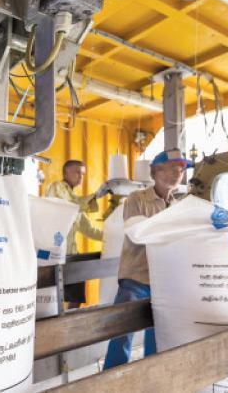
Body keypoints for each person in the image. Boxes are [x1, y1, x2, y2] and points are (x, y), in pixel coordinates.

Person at [102, 149, 191, 369]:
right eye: (172, 168)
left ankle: (150, 376)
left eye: (180, 170)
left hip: (164, 280)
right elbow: (136, 231)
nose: (177, 174)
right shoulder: (137, 199)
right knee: (123, 332)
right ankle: (113, 380)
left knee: (158, 334)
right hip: (137, 277)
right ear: (155, 172)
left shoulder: (178, 205)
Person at [45, 160, 108, 308]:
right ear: (65, 173)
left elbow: (88, 230)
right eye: (76, 172)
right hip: (54, 255)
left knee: (76, 296)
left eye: (83, 173)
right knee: (55, 299)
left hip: (71, 254)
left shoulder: (77, 201)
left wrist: (114, 236)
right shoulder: (56, 188)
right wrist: (95, 196)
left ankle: (69, 324)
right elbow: (67, 205)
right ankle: (57, 327)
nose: (80, 176)